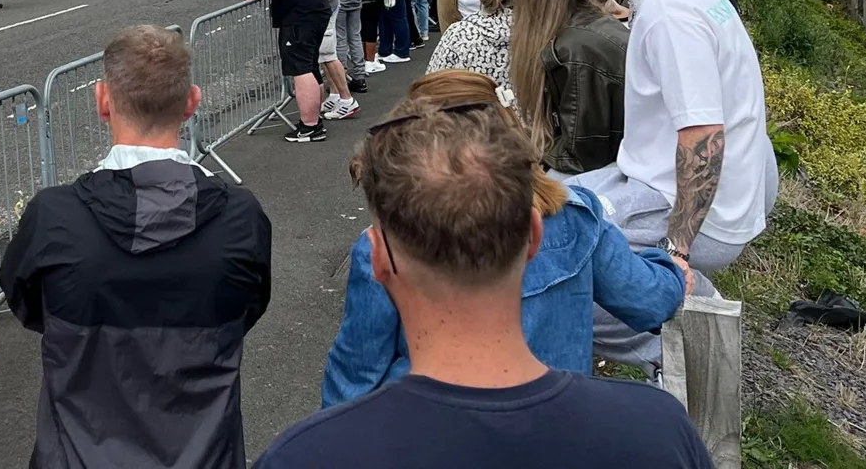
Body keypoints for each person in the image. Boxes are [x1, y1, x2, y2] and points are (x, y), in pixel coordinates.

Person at [266, 69, 707, 469]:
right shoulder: (658, 432)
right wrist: (671, 267)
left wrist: (336, 434)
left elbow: (356, 371)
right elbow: (648, 301)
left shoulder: (301, 455)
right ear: (532, 236)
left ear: (381, 258)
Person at [1, 26, 272, 469]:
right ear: (191, 102)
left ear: (103, 101)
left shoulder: (54, 217)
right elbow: (249, 306)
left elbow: (29, 307)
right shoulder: (240, 218)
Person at [580, 0, 778, 366]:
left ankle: (680, 345)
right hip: (724, 184)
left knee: (547, 259)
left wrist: (679, 250)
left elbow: (703, 134)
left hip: (697, 210)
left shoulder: (670, 12)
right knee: (553, 194)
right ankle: (691, 317)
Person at [510, 0, 629, 176]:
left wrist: (531, 148)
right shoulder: (594, 27)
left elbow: (584, 154)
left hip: (612, 171)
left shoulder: (573, 51)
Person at [243, 0, 332, 143]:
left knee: (301, 69)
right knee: (310, 66)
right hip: (311, 13)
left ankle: (310, 126)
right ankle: (314, 120)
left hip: (301, 16)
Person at [426, 0, 518, 103]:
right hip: (521, 121)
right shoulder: (533, 33)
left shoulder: (458, 33)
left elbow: (432, 84)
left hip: (472, 119)